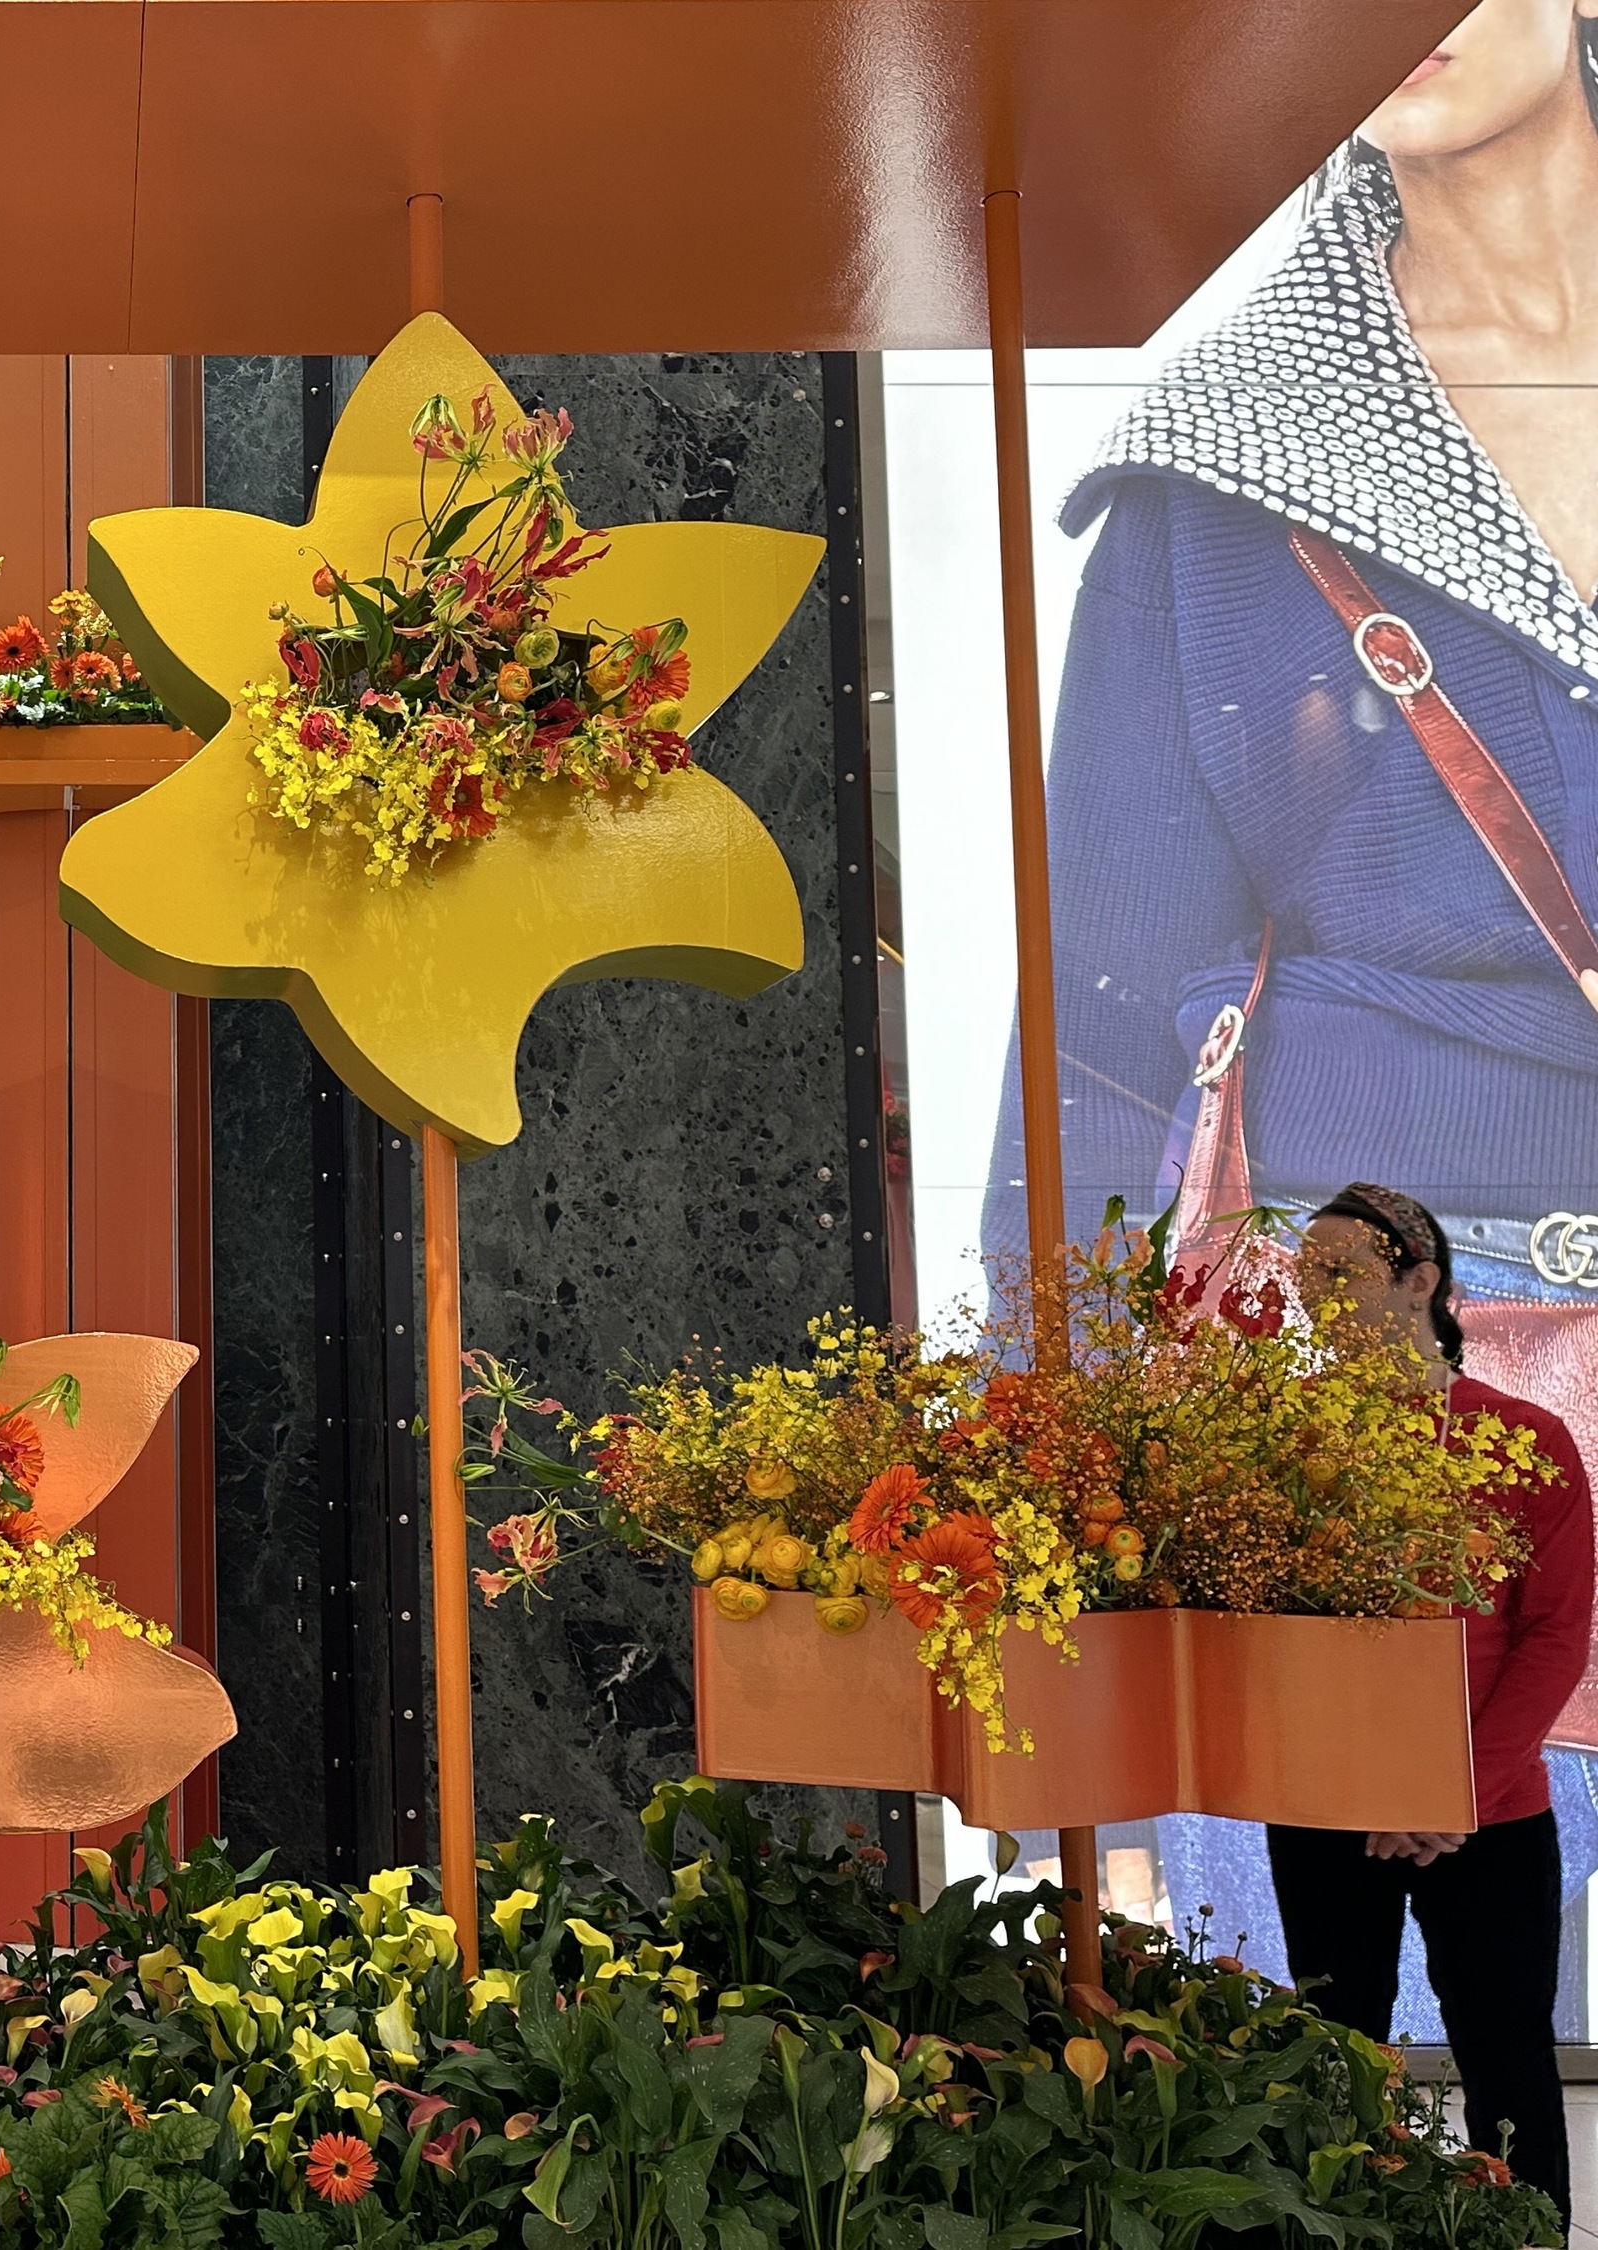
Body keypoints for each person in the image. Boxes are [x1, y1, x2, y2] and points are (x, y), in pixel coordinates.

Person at [980, 0, 1598, 2047]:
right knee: (1352, 2078)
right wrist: (1056, 1501)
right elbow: (1102, 1010)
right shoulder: (1224, 466)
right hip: (1363, 1374)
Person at [1264, 1185, 1591, 2222]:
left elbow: (1554, 1637)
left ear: (1421, 1282)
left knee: (1507, 2060)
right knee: (1336, 2054)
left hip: (1486, 1813)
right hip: (1329, 1805)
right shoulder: (1277, 1451)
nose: (1312, 1297)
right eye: (1302, 1274)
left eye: (1338, 1274)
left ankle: (1529, 2235)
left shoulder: (1525, 1441)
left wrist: (1452, 1786)